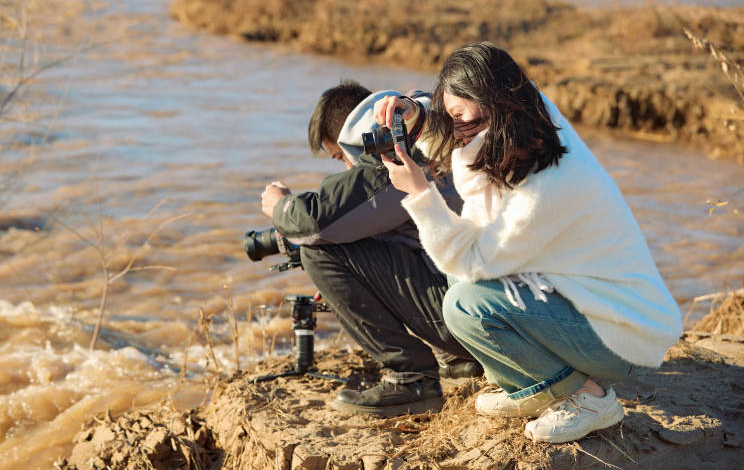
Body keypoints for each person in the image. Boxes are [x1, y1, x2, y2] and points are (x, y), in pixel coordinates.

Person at [377, 42, 682, 443]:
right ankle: (536, 389)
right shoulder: (530, 119)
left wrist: (420, 195)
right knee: (461, 286)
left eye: (458, 117)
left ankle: (589, 398)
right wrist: (418, 118)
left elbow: (469, 258)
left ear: (495, 106)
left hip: (624, 336)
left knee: (466, 301)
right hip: (589, 302)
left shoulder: (548, 188)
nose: (454, 131)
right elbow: (469, 138)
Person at [260, 80, 482, 417]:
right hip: (489, 303)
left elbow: (314, 221)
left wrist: (280, 206)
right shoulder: (431, 122)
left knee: (320, 252)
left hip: (473, 316)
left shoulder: (395, 155)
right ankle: (456, 358)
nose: (347, 167)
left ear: (353, 136)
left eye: (340, 156)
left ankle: (412, 378)